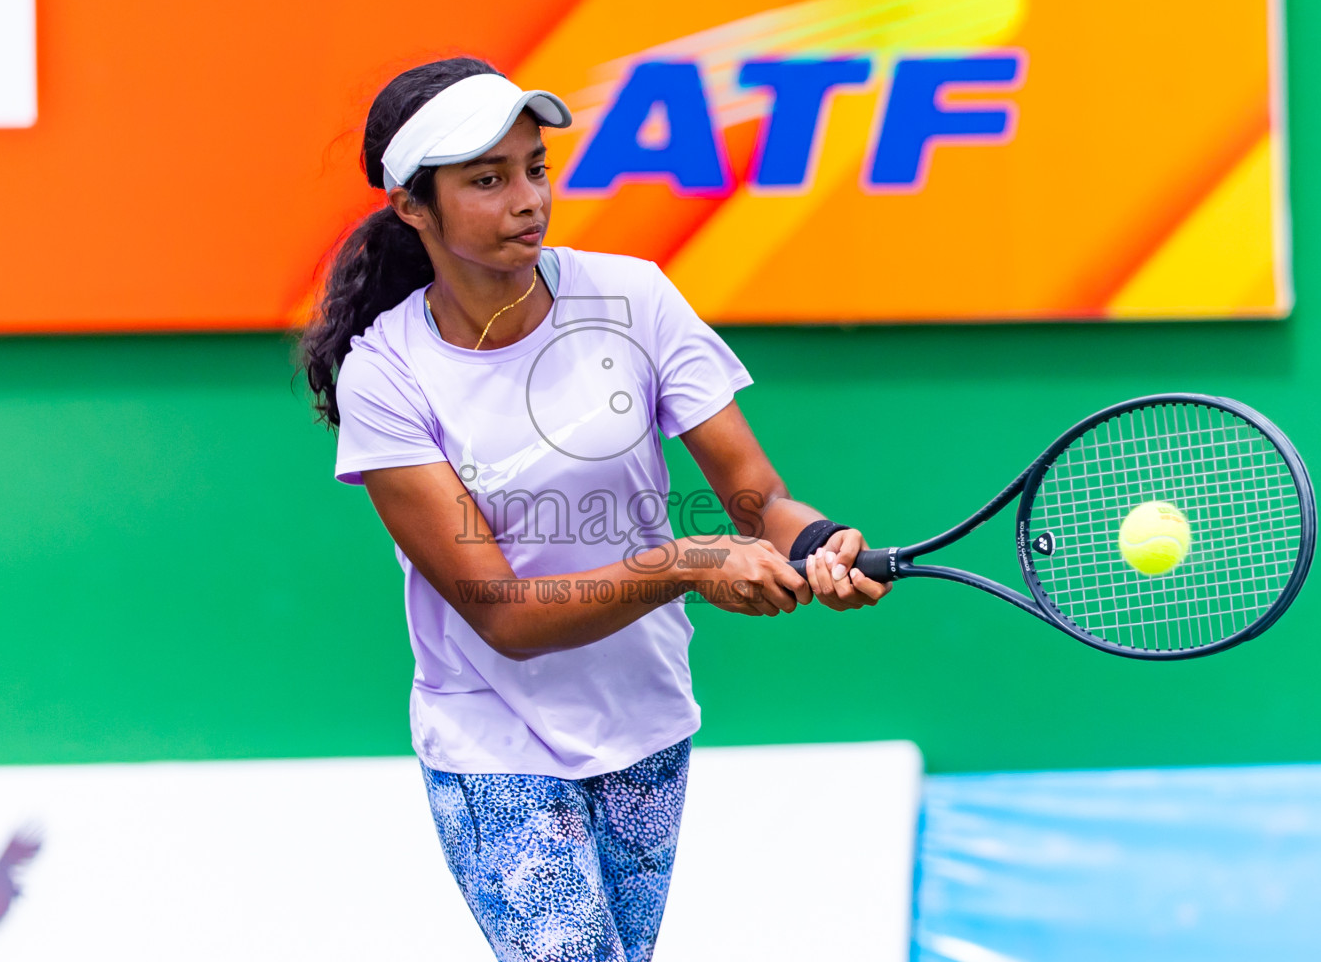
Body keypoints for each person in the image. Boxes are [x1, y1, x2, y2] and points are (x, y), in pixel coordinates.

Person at [299, 56, 891, 962]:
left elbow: (753, 497)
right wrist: (689, 563)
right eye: (486, 180)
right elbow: (501, 616)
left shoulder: (635, 297)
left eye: (534, 168)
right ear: (414, 208)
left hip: (644, 717)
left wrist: (813, 541)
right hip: (491, 735)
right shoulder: (388, 374)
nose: (526, 199)